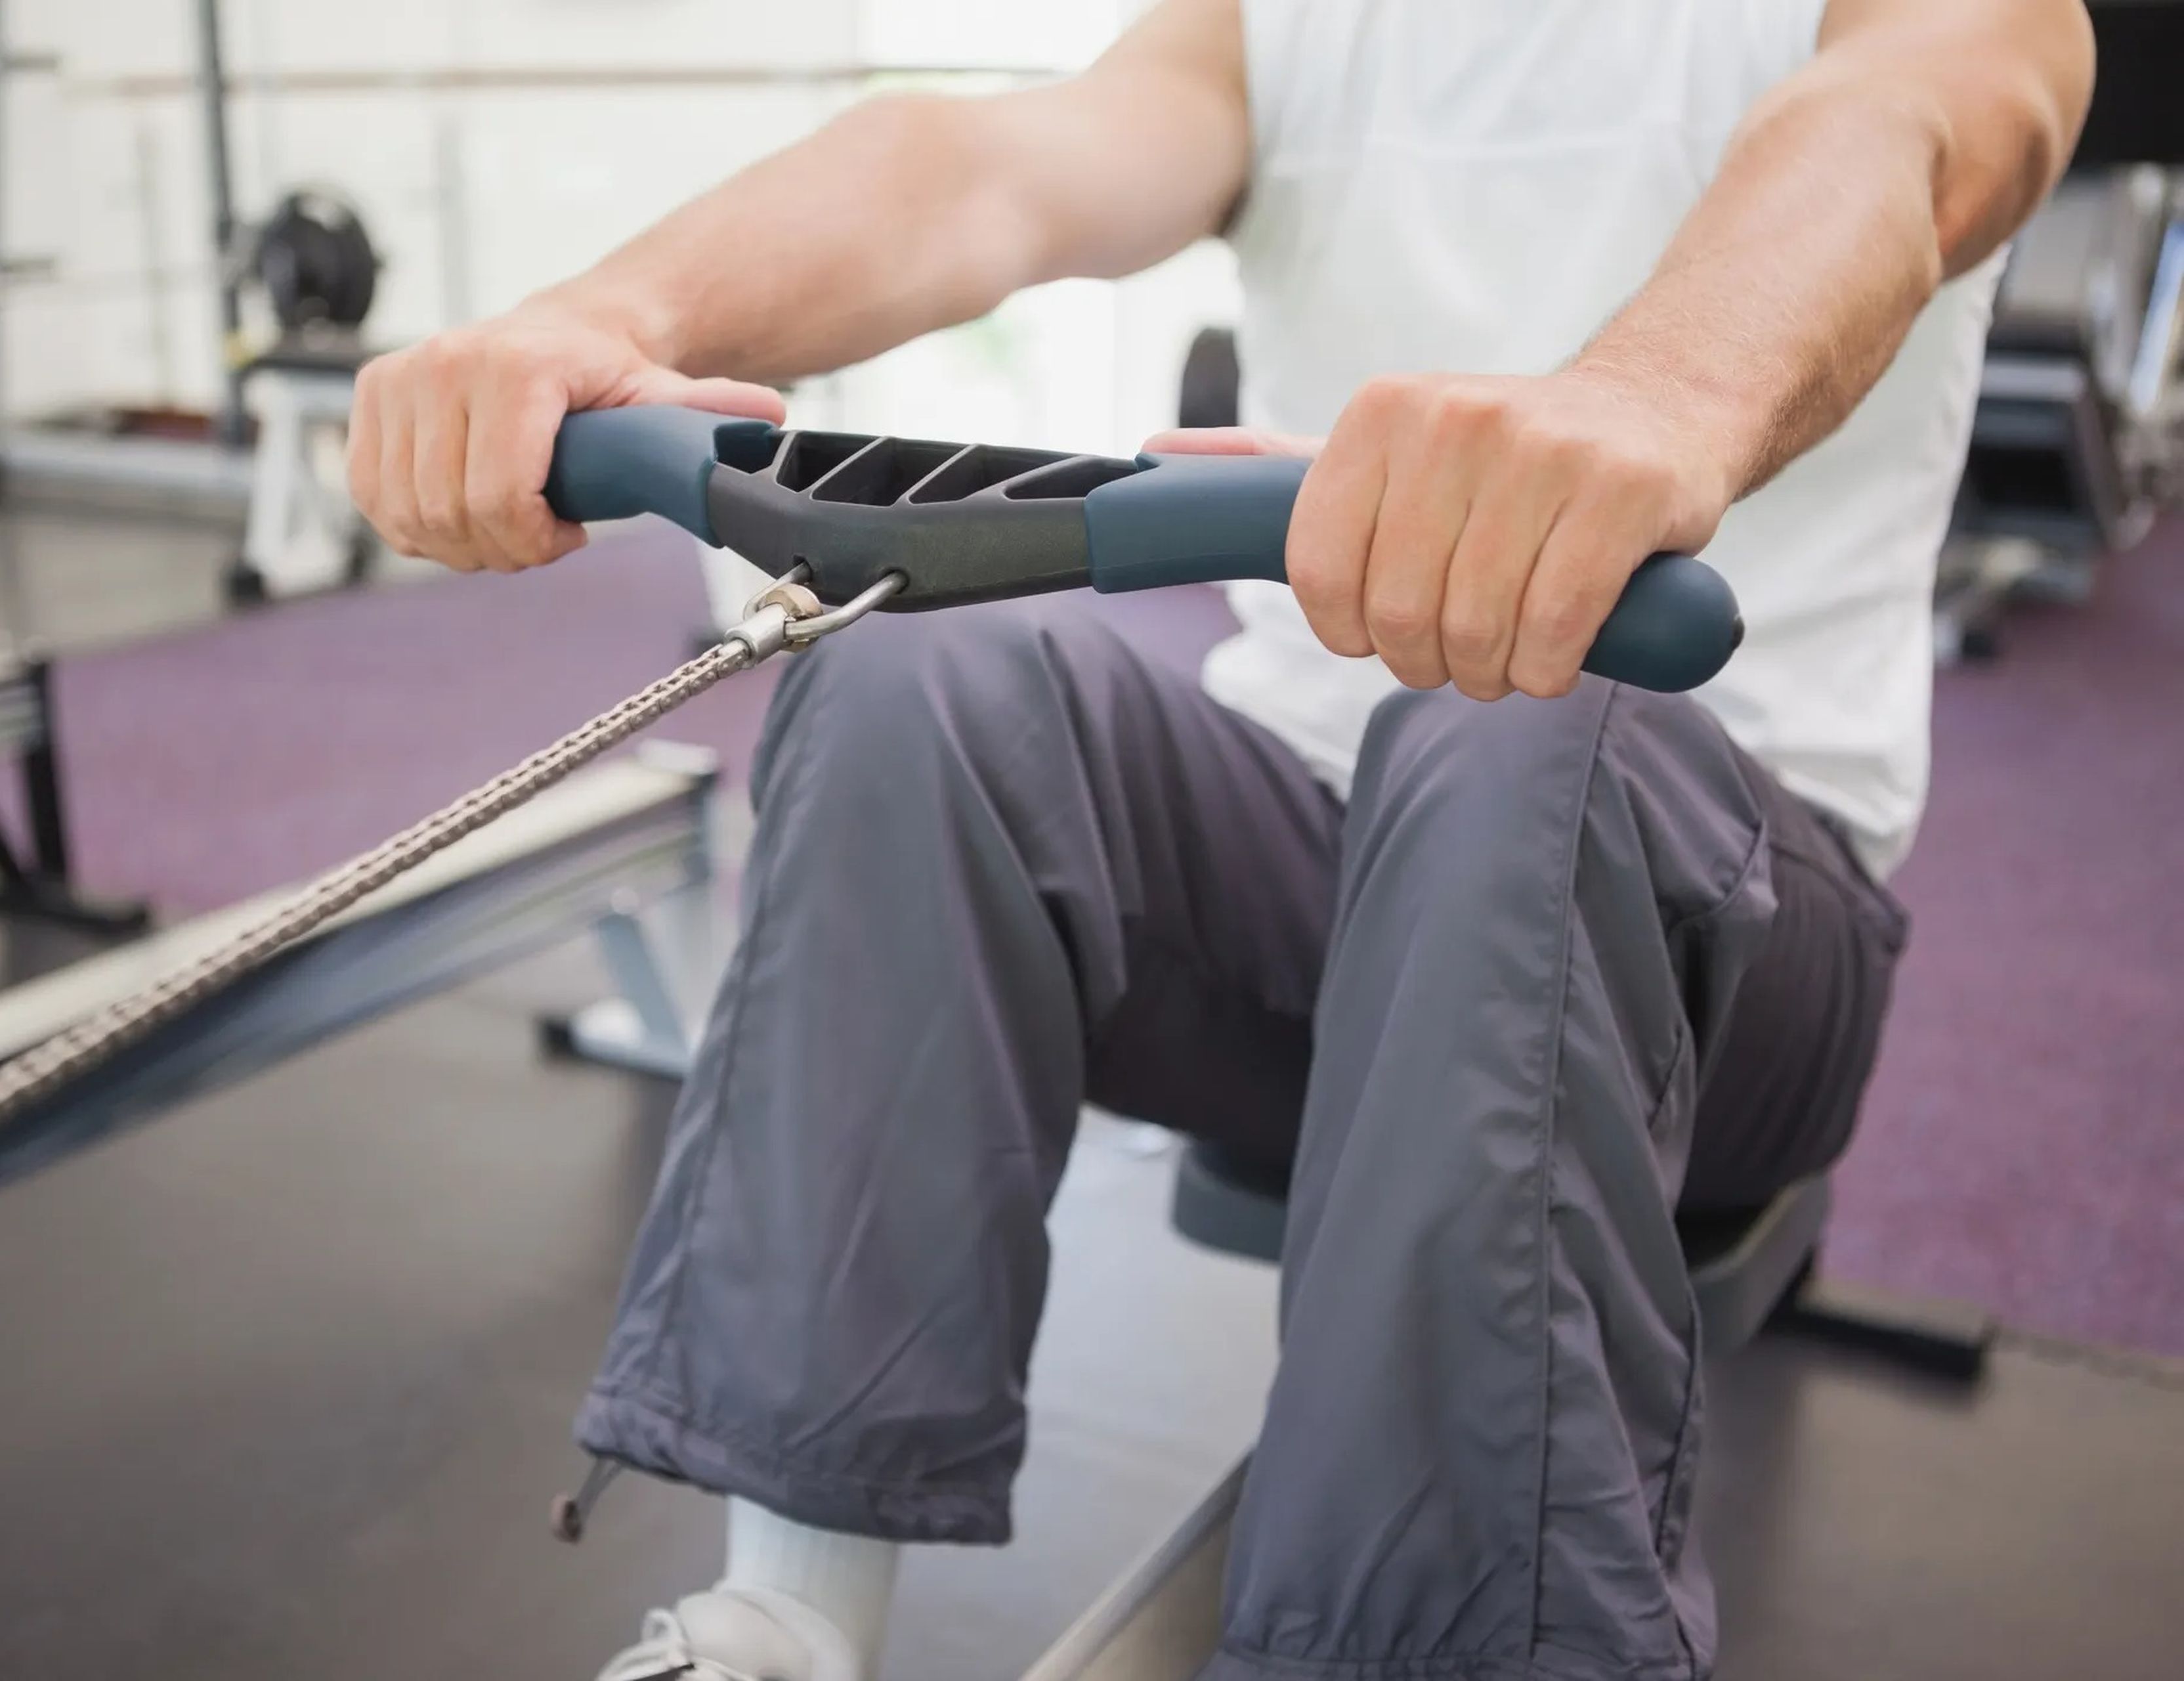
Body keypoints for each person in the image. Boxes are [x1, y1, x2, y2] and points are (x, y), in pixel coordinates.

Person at [347, 2, 2093, 1676]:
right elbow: (988, 164)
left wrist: (1659, 396)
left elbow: (1919, 124)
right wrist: (607, 310)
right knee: (920, 673)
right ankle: (783, 1627)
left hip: (1724, 938)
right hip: (1321, 877)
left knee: (1511, 732)